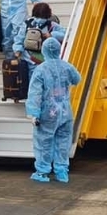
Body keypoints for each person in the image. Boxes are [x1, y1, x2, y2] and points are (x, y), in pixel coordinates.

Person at [25, 37, 82, 183]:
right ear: (59, 50)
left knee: (44, 142)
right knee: (63, 142)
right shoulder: (67, 67)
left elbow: (35, 94)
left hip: (48, 113)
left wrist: (33, 113)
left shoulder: (41, 69)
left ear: (43, 51)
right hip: (65, 112)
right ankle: (62, 172)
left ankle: (42, 172)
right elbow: (77, 79)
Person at [24, 2, 67, 67]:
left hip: (45, 59)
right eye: (37, 17)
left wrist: (51, 35)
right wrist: (17, 50)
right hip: (29, 57)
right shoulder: (27, 24)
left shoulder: (52, 25)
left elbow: (65, 35)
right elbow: (19, 38)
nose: (39, 19)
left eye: (42, 17)